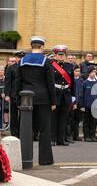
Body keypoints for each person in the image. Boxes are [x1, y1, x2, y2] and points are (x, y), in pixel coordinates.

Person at [16, 36, 56, 166]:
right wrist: (53, 102)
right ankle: (45, 160)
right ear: (42, 47)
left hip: (26, 98)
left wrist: (18, 100)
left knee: (26, 130)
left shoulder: (22, 61)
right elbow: (50, 83)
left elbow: (18, 82)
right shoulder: (46, 62)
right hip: (43, 98)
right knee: (44, 130)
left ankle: (24, 158)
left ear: (31, 46)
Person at [50, 45, 74, 146]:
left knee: (63, 119)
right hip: (56, 94)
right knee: (53, 119)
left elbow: (72, 82)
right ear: (55, 55)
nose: (61, 56)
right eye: (59, 55)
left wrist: (73, 96)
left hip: (66, 95)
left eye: (63, 55)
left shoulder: (69, 66)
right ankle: (52, 139)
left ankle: (61, 139)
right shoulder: (51, 66)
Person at [5, 52, 22, 137]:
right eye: (18, 57)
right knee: (14, 115)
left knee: (23, 115)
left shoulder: (25, 67)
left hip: (23, 95)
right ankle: (14, 133)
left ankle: (21, 131)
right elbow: (7, 82)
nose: (20, 59)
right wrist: (7, 94)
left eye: (21, 57)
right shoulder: (11, 68)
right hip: (14, 94)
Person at [80, 66, 97, 142]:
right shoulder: (85, 83)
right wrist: (81, 106)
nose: (93, 74)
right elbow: (81, 95)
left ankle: (92, 135)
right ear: (88, 73)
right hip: (86, 106)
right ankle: (86, 136)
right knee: (86, 122)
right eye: (92, 72)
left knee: (94, 122)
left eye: (94, 72)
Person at [71, 65, 84, 141]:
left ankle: (76, 135)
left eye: (79, 71)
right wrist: (74, 102)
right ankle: (70, 135)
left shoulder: (81, 81)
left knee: (77, 120)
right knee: (71, 120)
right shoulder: (71, 80)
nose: (78, 72)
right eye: (76, 71)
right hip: (73, 103)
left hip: (79, 103)